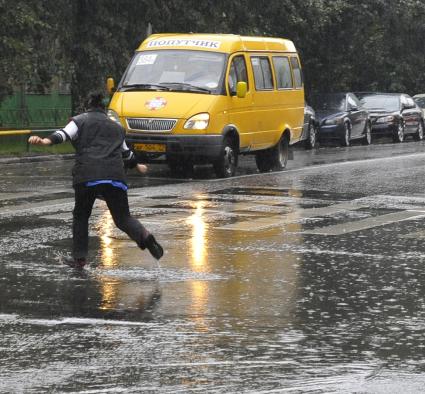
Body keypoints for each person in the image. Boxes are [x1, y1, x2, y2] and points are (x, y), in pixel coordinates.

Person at [28, 91, 163, 269]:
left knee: (81, 216)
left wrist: (44, 141)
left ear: (87, 107)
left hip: (87, 174)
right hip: (115, 176)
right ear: (104, 110)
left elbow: (63, 134)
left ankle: (79, 259)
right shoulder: (116, 127)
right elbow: (126, 153)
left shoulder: (80, 120)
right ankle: (145, 236)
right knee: (123, 218)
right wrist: (138, 166)